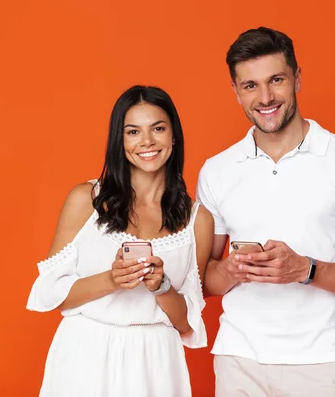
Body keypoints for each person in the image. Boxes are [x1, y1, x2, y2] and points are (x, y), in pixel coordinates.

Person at [197, 27, 335, 397]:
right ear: (236, 92)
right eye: (250, 85)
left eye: (276, 80)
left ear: (297, 79)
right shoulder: (217, 170)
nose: (266, 97)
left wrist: (306, 270)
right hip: (238, 361)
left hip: (321, 364)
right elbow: (203, 280)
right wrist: (231, 269)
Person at [26, 85, 213, 396]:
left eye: (158, 128)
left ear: (174, 136)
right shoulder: (86, 200)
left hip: (156, 361)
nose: (147, 141)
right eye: (133, 132)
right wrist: (111, 279)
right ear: (119, 140)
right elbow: (49, 291)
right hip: (85, 353)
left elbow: (187, 324)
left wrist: (161, 285)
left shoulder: (198, 221)